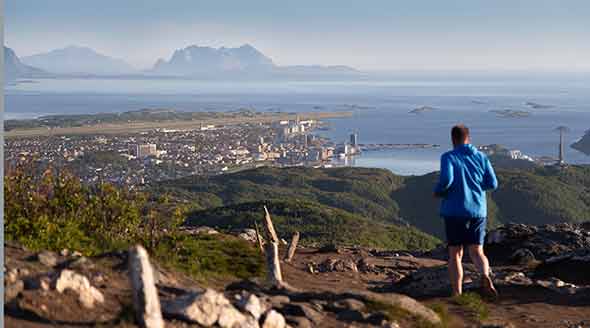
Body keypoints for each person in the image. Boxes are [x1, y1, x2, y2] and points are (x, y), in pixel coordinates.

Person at [433, 124, 498, 298]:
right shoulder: (481, 157)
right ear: (468, 138)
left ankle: (457, 293)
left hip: (454, 210)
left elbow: (447, 180)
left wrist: (439, 192)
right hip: (478, 210)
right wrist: (476, 187)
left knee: (455, 253)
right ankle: (484, 276)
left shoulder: (448, 156)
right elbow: (493, 183)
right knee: (477, 251)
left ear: (453, 139)